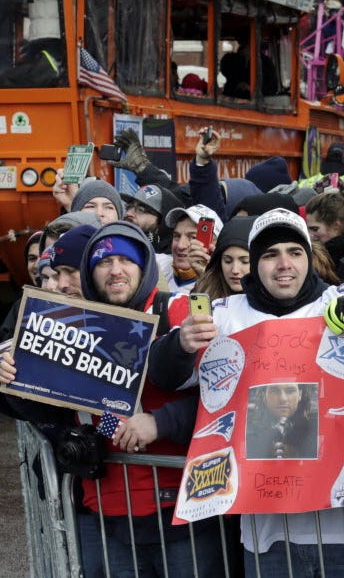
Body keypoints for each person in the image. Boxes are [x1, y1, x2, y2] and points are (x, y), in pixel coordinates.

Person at [148, 208, 344, 577]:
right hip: (268, 533)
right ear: (255, 264)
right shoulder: (223, 314)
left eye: (294, 252)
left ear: (309, 257)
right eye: (270, 255)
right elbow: (167, 377)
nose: (283, 264)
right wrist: (180, 344)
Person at [0, 220, 223, 577]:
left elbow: (222, 399)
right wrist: (11, 378)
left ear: (144, 266)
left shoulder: (177, 311)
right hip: (110, 512)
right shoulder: (76, 325)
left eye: (126, 261)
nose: (115, 270)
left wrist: (158, 422)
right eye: (103, 262)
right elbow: (77, 414)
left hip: (184, 510)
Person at [246, 383, 318, 459]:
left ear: (300, 395)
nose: (283, 399)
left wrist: (299, 456)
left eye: (290, 391)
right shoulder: (248, 431)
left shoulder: (315, 429)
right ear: (264, 396)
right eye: (274, 391)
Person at [191, 216, 254, 298]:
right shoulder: (206, 292)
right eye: (228, 261)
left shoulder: (272, 302)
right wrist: (204, 281)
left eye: (245, 261)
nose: (235, 270)